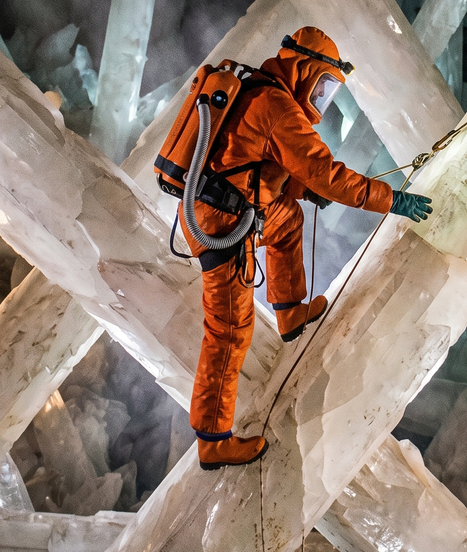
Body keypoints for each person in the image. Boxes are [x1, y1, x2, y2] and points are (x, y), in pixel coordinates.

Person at [176, 26, 433, 470]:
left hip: (227, 203)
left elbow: (252, 154)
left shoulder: (263, 91)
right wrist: (394, 200)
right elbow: (327, 174)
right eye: (323, 84)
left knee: (287, 218)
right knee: (229, 330)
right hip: (220, 220)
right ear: (303, 71)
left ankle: (289, 310)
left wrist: (298, 188)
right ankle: (212, 441)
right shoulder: (276, 107)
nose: (323, 97)